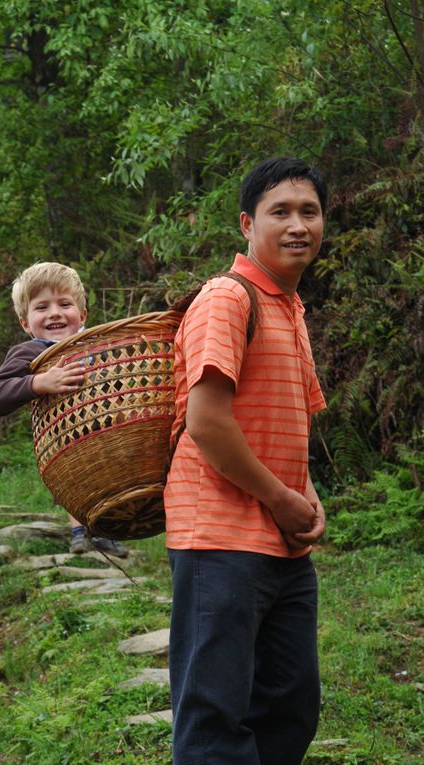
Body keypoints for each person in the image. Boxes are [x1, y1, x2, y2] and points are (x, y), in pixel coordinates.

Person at [164, 157, 328, 765]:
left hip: (282, 541)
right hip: (219, 537)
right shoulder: (226, 299)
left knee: (290, 703)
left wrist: (307, 497)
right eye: (279, 211)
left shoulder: (291, 308)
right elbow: (208, 423)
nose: (296, 225)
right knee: (214, 714)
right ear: (246, 223)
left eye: (308, 211)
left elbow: (292, 422)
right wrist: (282, 498)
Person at [0, 262, 129, 558]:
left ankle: (105, 533)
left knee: (108, 483)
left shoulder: (96, 345)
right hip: (63, 441)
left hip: (104, 436)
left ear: (83, 315)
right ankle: (79, 532)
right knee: (76, 485)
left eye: (65, 304)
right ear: (26, 323)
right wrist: (38, 382)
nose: (54, 313)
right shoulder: (30, 352)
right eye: (41, 308)